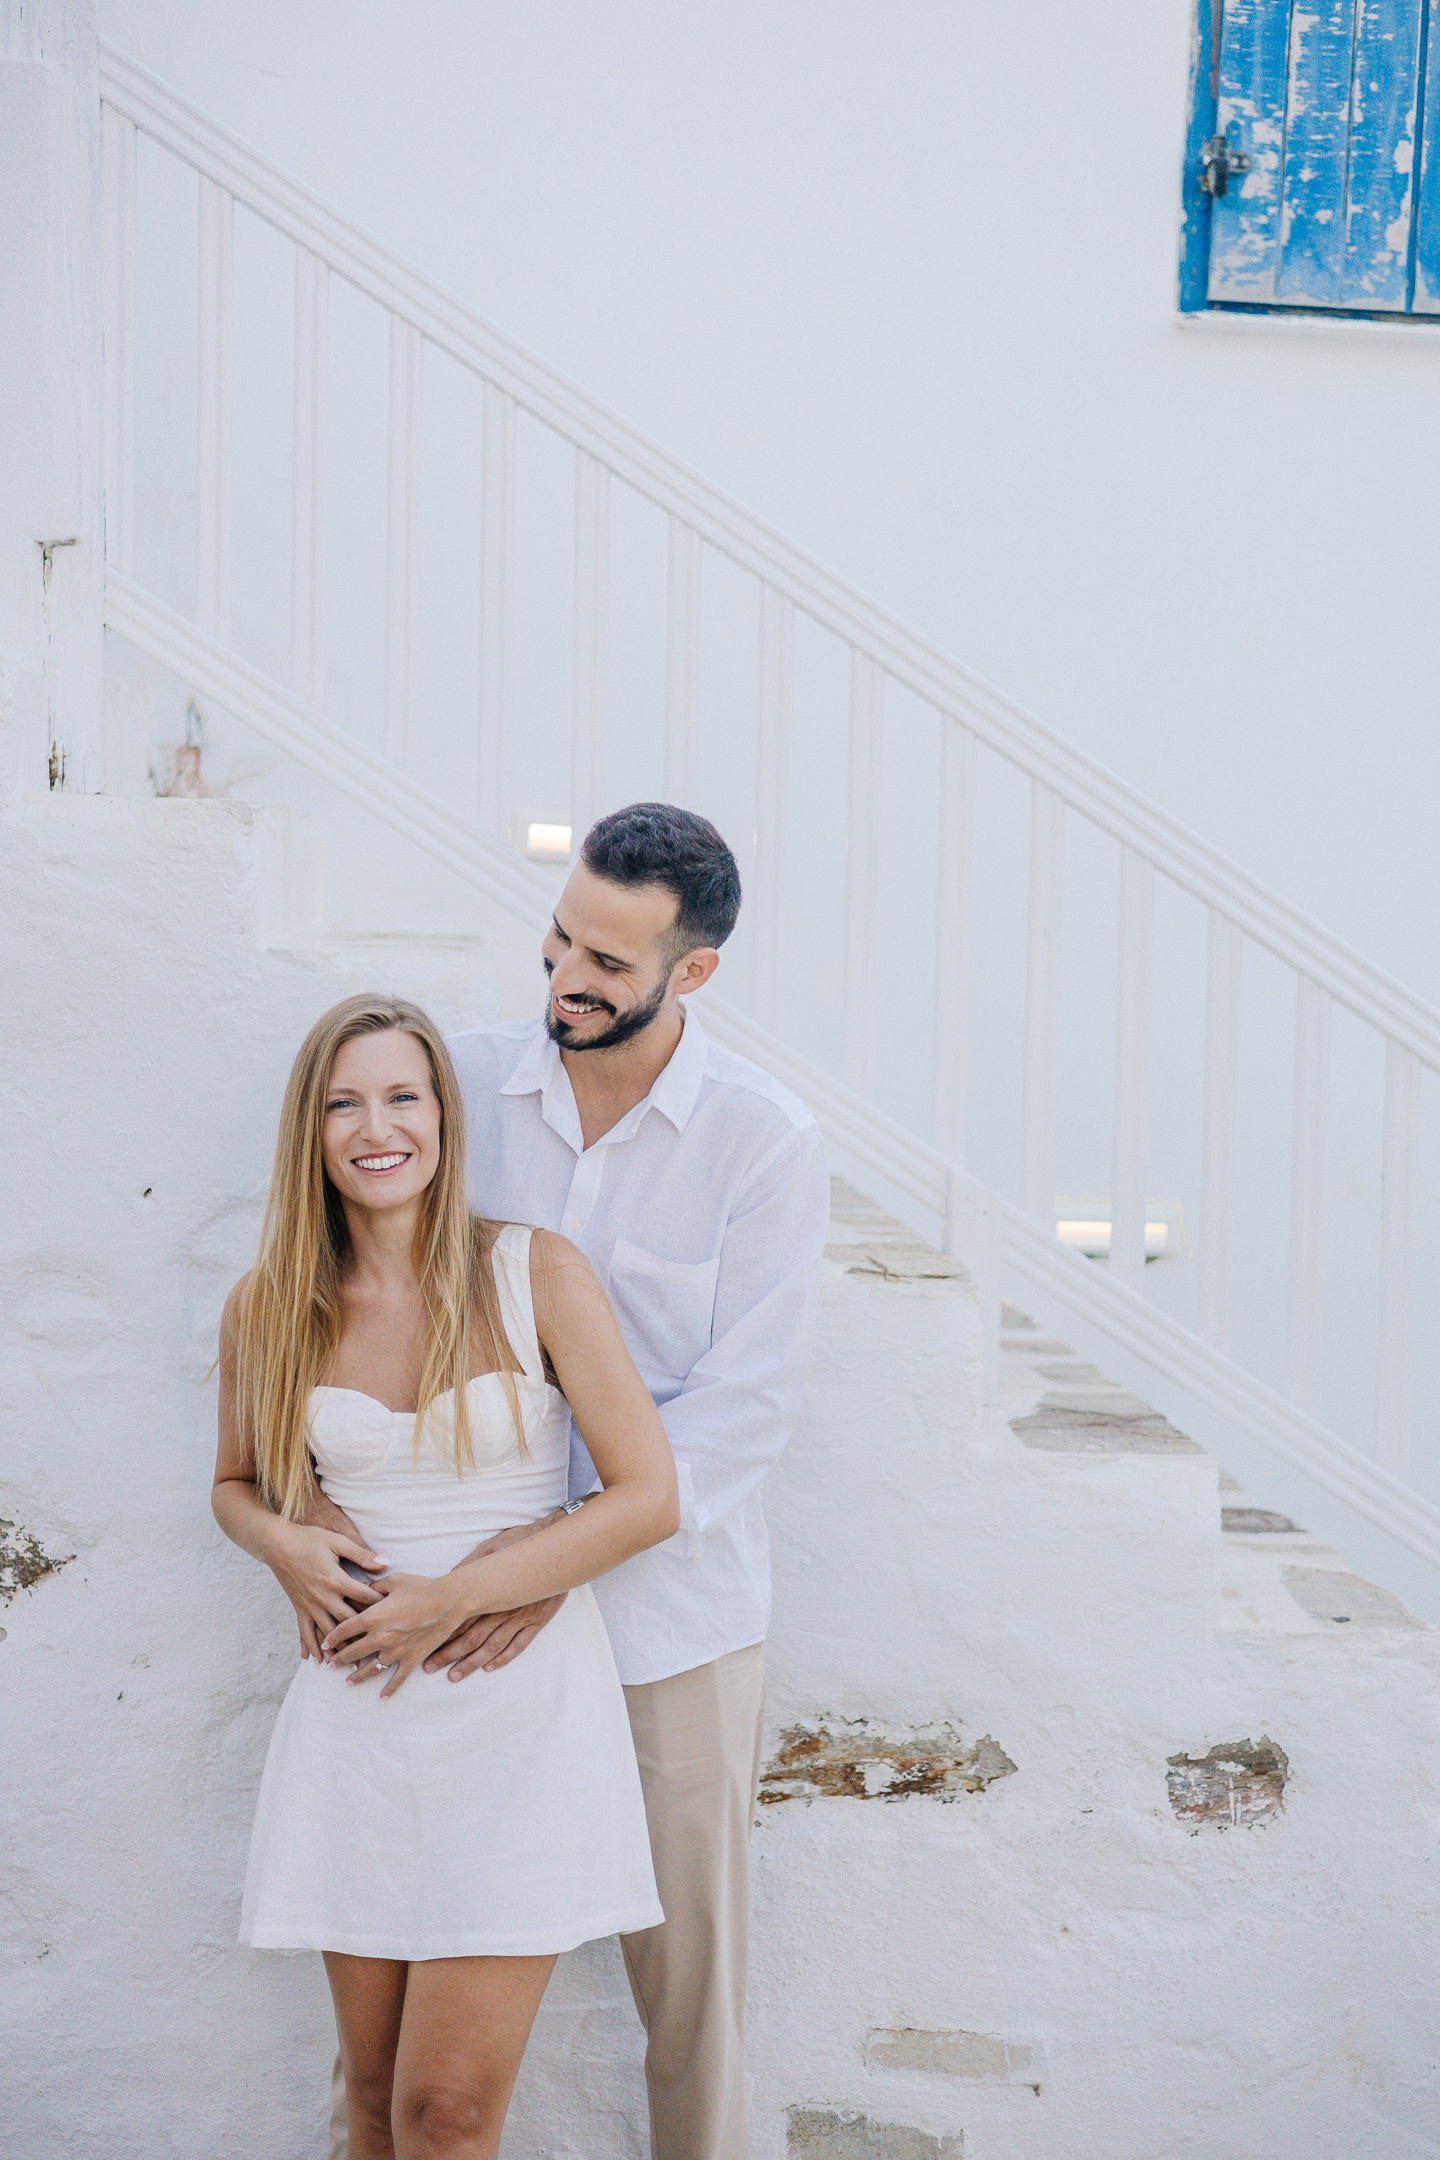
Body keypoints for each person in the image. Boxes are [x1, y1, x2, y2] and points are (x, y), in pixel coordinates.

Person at [315, 803, 831, 2160]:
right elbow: (347, 1282)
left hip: (672, 1622)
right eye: (557, 943)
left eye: (606, 965)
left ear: (692, 974)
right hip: (462, 1631)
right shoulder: (468, 1083)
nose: (564, 984)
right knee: (418, 1988)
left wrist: (553, 1556)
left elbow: (746, 1409)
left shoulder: (761, 1139)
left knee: (689, 1996)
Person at [212, 993, 680, 2160]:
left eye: (404, 1096)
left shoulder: (534, 1273)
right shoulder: (271, 1304)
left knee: (448, 2115)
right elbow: (233, 1482)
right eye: (344, 1102)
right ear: (310, 1132)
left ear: (443, 1116)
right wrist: (282, 1541)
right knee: (372, 2108)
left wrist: (458, 1595)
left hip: (520, 1724)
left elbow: (648, 1497)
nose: (379, 1127)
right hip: (361, 1726)